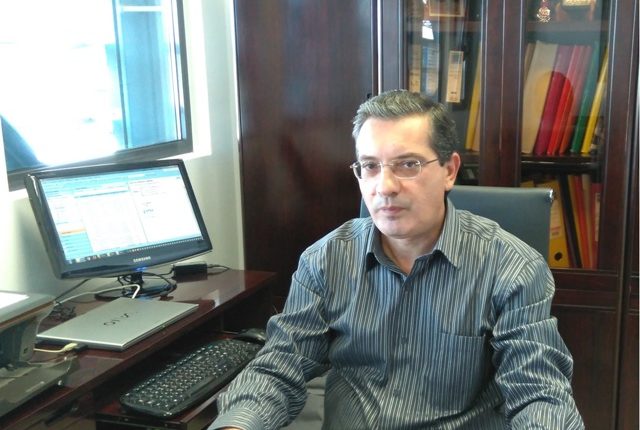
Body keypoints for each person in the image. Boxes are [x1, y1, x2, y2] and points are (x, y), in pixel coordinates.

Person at [210, 90, 584, 429]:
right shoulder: (325, 260)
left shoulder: (512, 269)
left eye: (408, 165)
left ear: (450, 170)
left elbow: (538, 392)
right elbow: (280, 368)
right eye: (370, 166)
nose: (385, 187)